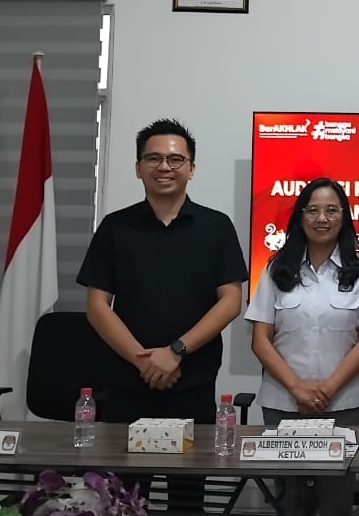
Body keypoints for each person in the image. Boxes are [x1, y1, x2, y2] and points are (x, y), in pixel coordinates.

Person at [77, 118, 247, 512]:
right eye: (153, 158)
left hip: (193, 384)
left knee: (186, 502)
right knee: (122, 499)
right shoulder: (115, 227)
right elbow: (97, 306)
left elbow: (230, 301)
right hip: (127, 385)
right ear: (138, 168)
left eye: (175, 159)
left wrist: (175, 352)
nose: (164, 167)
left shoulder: (216, 226)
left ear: (191, 168)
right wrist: (144, 360)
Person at [245, 177, 359, 516]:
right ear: (300, 217)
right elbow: (260, 340)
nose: (322, 219)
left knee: (336, 499)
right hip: (283, 401)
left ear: (343, 217)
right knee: (290, 500)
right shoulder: (276, 268)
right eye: (313, 210)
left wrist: (327, 389)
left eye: (331, 210)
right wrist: (297, 388)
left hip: (344, 403)